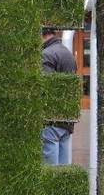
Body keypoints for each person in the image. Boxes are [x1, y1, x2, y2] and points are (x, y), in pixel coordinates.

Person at [41, 27, 77, 165]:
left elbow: (45, 88)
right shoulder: (67, 53)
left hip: (51, 120)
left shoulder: (46, 54)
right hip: (66, 119)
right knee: (63, 170)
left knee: (50, 172)